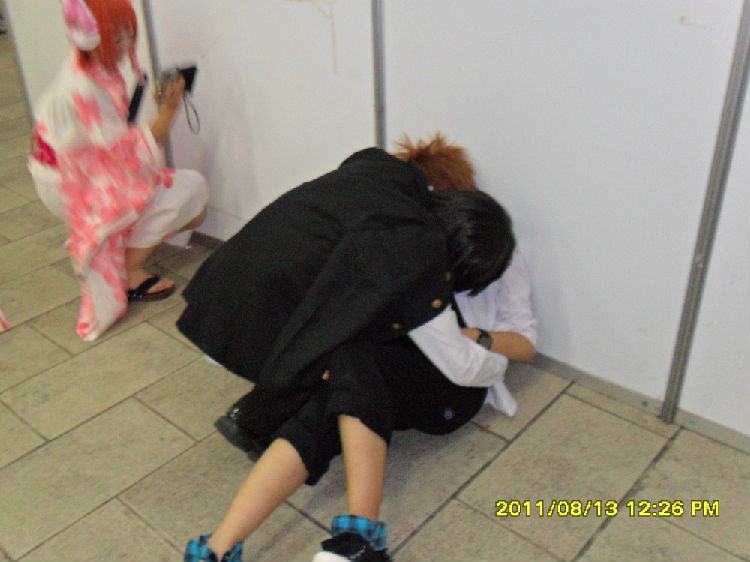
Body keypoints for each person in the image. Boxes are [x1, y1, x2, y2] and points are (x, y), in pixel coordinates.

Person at [177, 134, 537, 562]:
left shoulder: (484, 253)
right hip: (407, 355)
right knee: (334, 393)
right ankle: (221, 548)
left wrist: (482, 345)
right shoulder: (409, 248)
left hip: (459, 382)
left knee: (352, 364)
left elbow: (487, 358)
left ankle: (357, 539)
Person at [27, 0, 208, 340]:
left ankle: (121, 249)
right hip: (75, 185)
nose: (125, 46)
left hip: (67, 175)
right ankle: (126, 274)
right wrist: (169, 110)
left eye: (129, 35)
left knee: (191, 204)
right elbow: (133, 154)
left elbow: (116, 141)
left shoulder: (88, 68)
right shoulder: (84, 87)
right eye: (116, 38)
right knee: (191, 189)